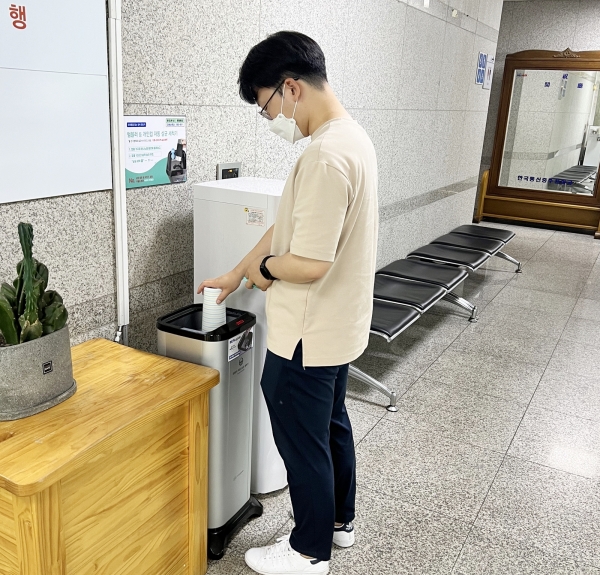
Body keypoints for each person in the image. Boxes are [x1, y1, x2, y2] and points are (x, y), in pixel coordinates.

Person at [198, 31, 378, 575]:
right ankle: (339, 522)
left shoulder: (324, 155)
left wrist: (265, 270)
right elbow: (288, 226)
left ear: (291, 88)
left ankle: (308, 550)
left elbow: (309, 261)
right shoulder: (352, 138)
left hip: (306, 332)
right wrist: (237, 272)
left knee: (301, 438)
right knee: (330, 424)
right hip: (339, 326)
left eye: (266, 106)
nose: (271, 119)